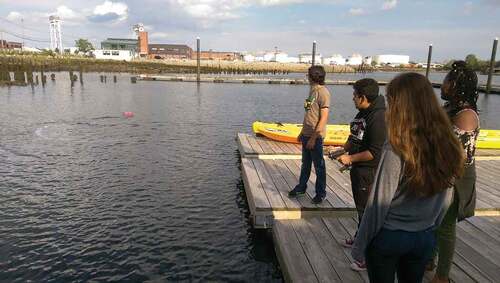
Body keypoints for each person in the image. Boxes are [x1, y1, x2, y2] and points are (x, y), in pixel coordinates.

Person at [351, 72, 465, 283]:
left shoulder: (397, 146)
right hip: (424, 236)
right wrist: (431, 227)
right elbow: (447, 197)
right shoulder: (449, 143)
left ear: (401, 105)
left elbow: (378, 203)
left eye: (391, 100)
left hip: (390, 236)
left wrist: (359, 247)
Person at [431, 61, 479, 283]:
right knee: (432, 220)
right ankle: (429, 259)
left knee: (445, 226)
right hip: (437, 171)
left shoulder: (466, 114)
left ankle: (442, 276)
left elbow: (459, 155)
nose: (443, 85)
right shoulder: (449, 108)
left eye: (447, 80)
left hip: (454, 177)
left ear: (456, 85)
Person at [337, 78, 386, 256]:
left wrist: (350, 158)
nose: (352, 98)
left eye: (354, 95)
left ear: (363, 97)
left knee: (368, 211)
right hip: (359, 170)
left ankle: (368, 252)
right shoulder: (363, 113)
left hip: (369, 171)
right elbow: (355, 137)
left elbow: (374, 152)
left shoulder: (379, 117)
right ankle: (360, 238)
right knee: (361, 209)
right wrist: (341, 150)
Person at [288, 65, 330, 204]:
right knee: (305, 164)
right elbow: (309, 114)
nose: (307, 77)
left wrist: (313, 138)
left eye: (308, 75)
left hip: (315, 137)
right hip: (306, 134)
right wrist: (302, 132)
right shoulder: (312, 91)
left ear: (313, 76)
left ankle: (321, 193)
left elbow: (323, 118)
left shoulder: (323, 92)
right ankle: (301, 187)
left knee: (319, 166)